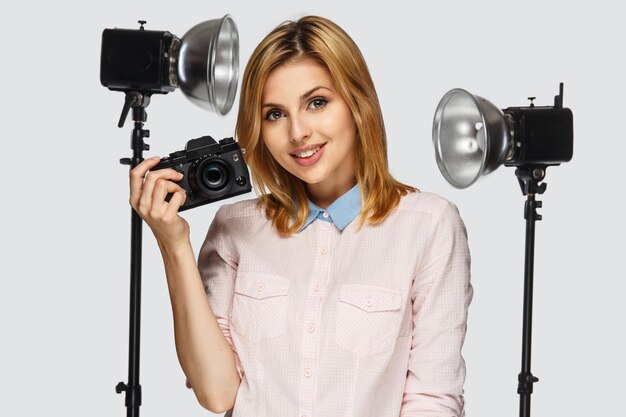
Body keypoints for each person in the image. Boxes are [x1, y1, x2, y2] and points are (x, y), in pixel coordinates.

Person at [130, 15, 473, 417]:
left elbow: (432, 401)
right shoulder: (235, 227)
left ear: (357, 104)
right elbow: (217, 394)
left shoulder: (428, 225)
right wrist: (173, 246)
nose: (298, 133)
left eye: (317, 103)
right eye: (275, 114)